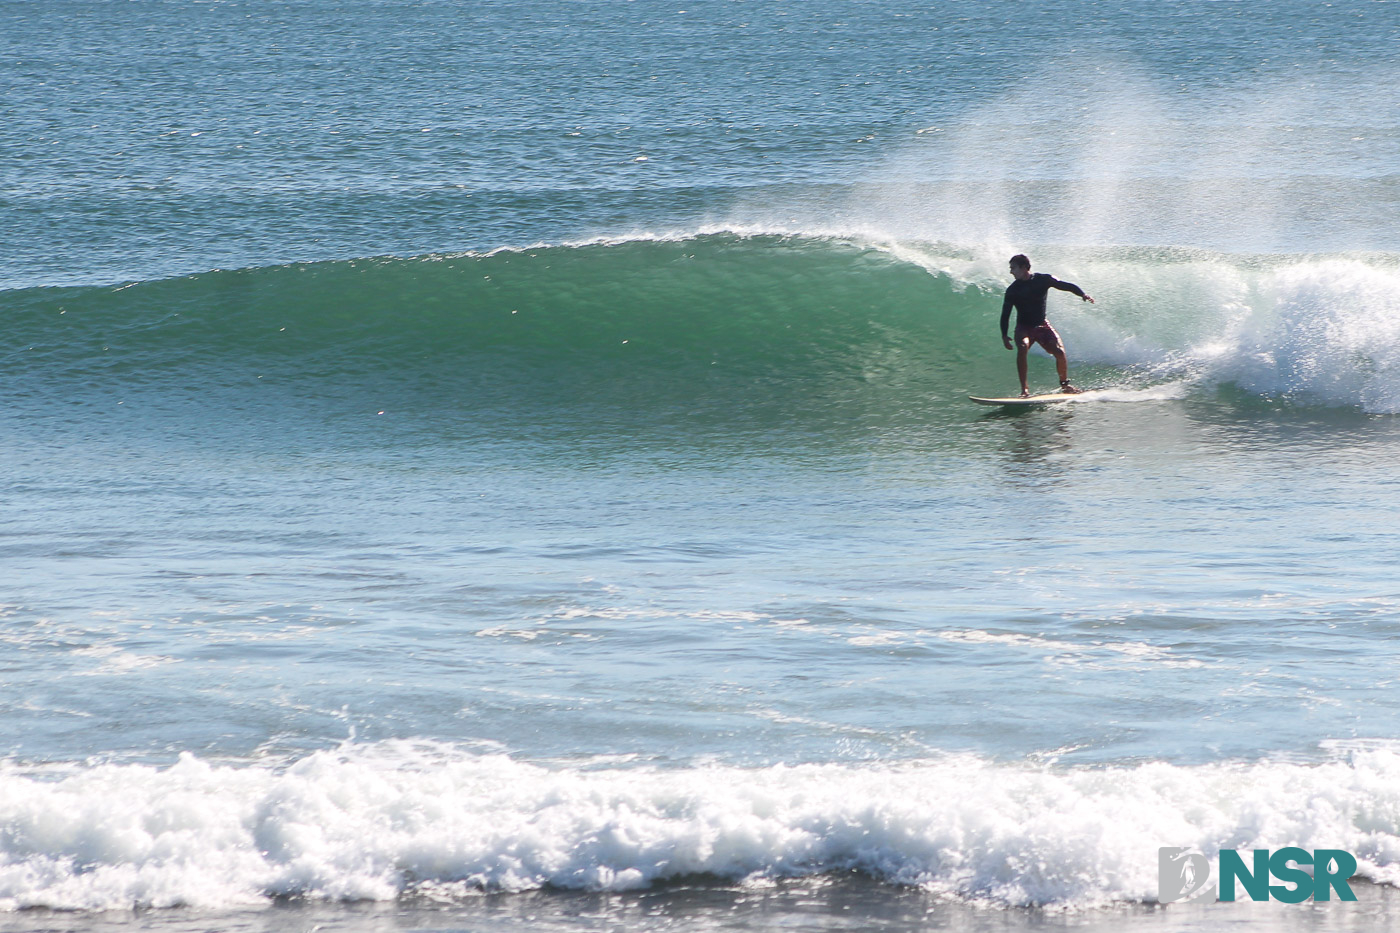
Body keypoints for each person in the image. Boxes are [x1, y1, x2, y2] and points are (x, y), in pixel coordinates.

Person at [999, 254, 1094, 397]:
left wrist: (1082, 294)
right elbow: (1005, 314)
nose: (1011, 272)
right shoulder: (1012, 290)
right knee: (1023, 348)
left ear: (1024, 267)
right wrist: (1004, 335)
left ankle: (1065, 385)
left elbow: (1066, 285)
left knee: (1060, 353)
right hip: (1024, 328)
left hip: (1042, 325)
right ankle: (1024, 390)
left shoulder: (1043, 280)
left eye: (1013, 268)